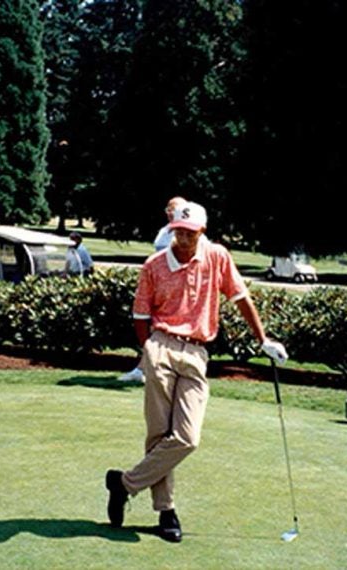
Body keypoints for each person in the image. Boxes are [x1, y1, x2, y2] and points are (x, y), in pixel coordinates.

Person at [104, 201, 288, 543]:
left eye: (190, 233)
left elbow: (240, 297)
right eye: (178, 232)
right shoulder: (154, 265)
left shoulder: (217, 256)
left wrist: (263, 340)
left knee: (187, 437)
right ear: (171, 230)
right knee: (159, 434)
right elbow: (140, 316)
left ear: (202, 231)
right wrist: (148, 352)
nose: (184, 239)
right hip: (161, 345)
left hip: (197, 352)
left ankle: (124, 483)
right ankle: (166, 512)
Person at [118, 196, 193, 383]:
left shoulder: (192, 233)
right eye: (168, 209)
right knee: (153, 330)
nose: (169, 212)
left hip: (180, 295)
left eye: (173, 209)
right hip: (159, 289)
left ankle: (153, 370)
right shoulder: (164, 232)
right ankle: (144, 367)